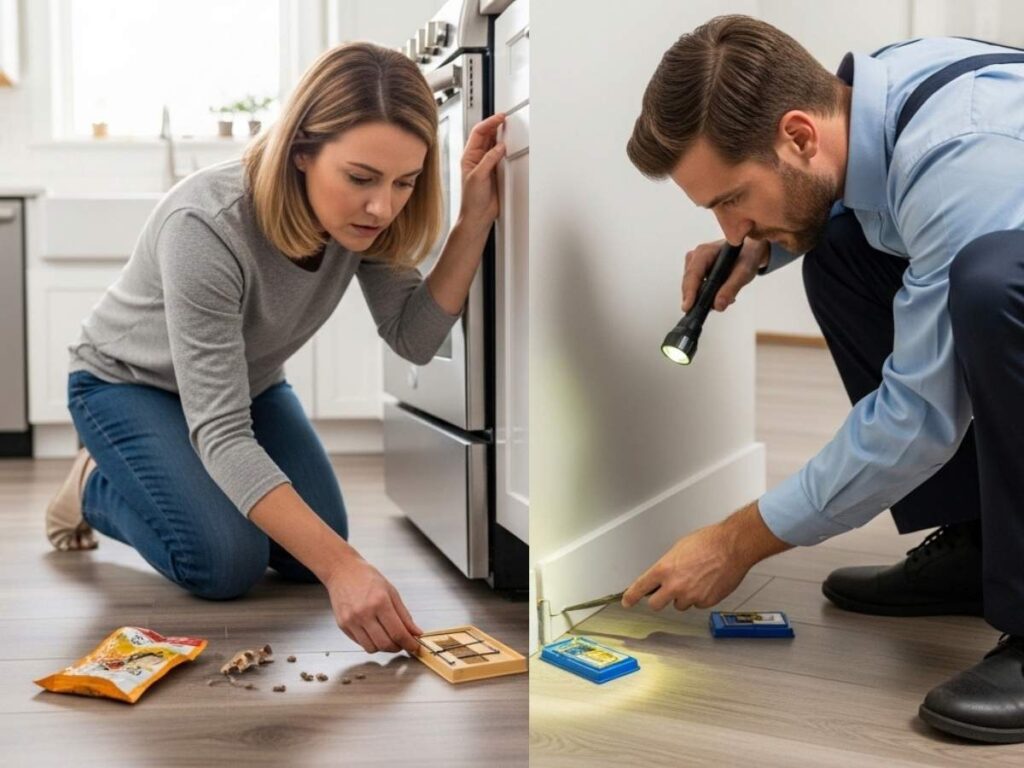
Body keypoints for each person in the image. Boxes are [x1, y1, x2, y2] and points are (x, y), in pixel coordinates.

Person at [622, 15, 1024, 743]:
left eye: (731, 199)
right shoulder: (875, 99)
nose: (730, 227)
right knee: (838, 246)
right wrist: (764, 248)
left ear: (799, 135)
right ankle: (983, 548)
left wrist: (739, 538)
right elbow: (857, 196)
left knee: (996, 283)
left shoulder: (961, 153)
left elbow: (918, 416)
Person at [45, 42, 506, 657]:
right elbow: (223, 434)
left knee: (302, 551)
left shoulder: (372, 216)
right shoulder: (205, 225)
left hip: (248, 384)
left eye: (405, 182)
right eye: (361, 178)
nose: (382, 206)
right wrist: (345, 569)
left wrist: (473, 219)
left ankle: (158, 478)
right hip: (126, 385)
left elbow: (414, 337)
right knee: (225, 562)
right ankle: (93, 483)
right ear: (300, 152)